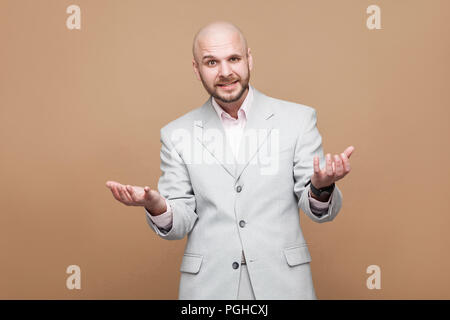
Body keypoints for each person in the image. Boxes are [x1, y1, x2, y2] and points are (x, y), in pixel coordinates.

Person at [106, 21, 354, 300]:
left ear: (249, 59)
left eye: (233, 59)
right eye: (211, 62)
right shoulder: (176, 134)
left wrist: (321, 187)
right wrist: (157, 205)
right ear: (196, 69)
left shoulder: (297, 120)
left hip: (284, 286)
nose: (225, 72)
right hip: (209, 290)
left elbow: (319, 212)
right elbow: (180, 221)